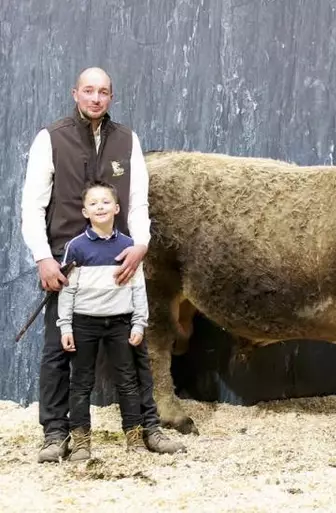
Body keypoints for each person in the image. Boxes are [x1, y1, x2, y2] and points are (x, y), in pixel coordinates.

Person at [21, 67, 185, 462]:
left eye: (104, 92)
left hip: (118, 267)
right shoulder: (50, 138)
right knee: (57, 352)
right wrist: (44, 257)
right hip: (68, 267)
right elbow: (32, 205)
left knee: (135, 351)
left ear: (111, 97)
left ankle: (147, 428)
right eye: (89, 91)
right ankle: (56, 434)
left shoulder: (127, 140)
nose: (96, 98)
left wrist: (141, 246)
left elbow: (139, 203)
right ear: (75, 93)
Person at [59, 181, 151, 461]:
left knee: (127, 381)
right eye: (93, 203)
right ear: (85, 211)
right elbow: (68, 289)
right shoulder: (76, 247)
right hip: (84, 323)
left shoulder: (129, 247)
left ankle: (134, 438)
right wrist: (66, 325)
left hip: (120, 323)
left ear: (117, 208)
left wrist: (139, 323)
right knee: (81, 383)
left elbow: (138, 287)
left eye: (106, 202)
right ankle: (81, 442)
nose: (100, 207)